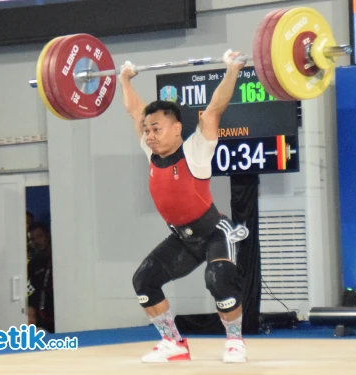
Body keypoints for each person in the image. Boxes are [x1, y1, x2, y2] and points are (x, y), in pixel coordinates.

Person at [118, 49, 249, 363]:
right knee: (144, 281)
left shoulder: (196, 149)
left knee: (217, 279)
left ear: (177, 128)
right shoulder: (152, 153)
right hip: (182, 239)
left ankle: (235, 342)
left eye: (156, 129)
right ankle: (173, 342)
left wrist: (231, 70)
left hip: (215, 232)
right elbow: (135, 111)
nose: (149, 135)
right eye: (147, 131)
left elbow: (216, 108)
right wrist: (124, 79)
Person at [27, 222, 55, 333]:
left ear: (48, 235)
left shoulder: (58, 257)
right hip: (40, 318)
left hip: (59, 313)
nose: (36, 241)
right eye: (32, 239)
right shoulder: (33, 263)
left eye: (39, 236)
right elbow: (29, 289)